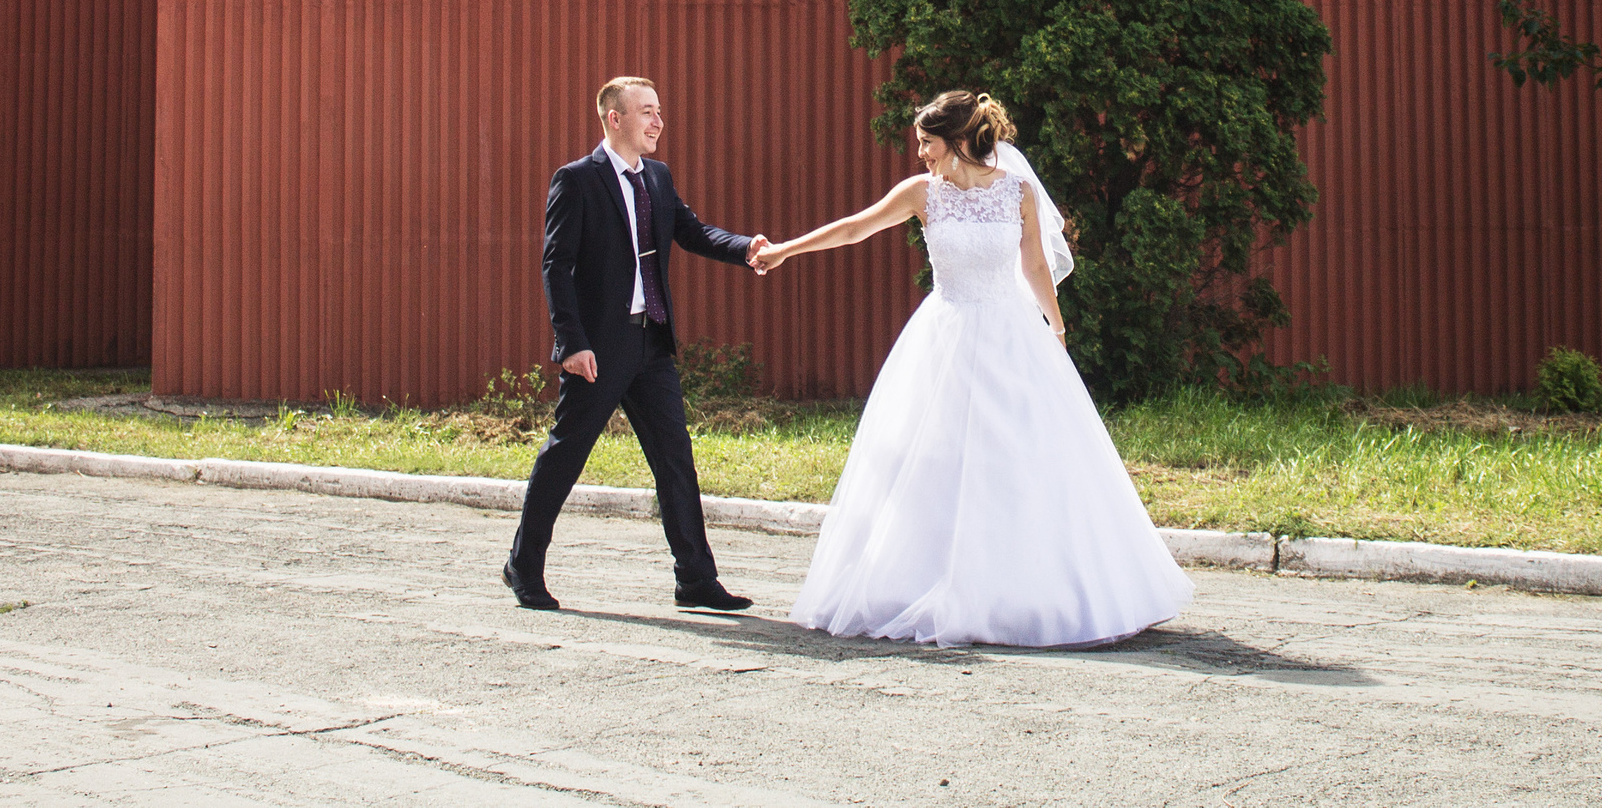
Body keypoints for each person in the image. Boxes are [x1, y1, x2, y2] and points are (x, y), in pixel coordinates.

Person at [753, 90, 1192, 647]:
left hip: (1012, 335)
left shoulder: (1018, 191)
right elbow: (853, 228)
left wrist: (1055, 325)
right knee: (936, 460)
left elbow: (1033, 264)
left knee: (1022, 458)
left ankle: (1033, 593)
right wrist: (785, 250)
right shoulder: (922, 194)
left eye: (927, 143)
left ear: (958, 140)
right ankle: (927, 581)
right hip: (946, 333)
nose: (920, 154)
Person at [504, 76, 768, 612]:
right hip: (599, 347)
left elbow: (691, 231)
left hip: (651, 341)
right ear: (614, 118)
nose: (658, 122)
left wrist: (747, 248)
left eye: (659, 111)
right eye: (647, 112)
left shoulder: (659, 178)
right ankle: (523, 566)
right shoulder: (577, 180)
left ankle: (695, 580)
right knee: (565, 456)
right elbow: (557, 266)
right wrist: (571, 343)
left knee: (675, 459)